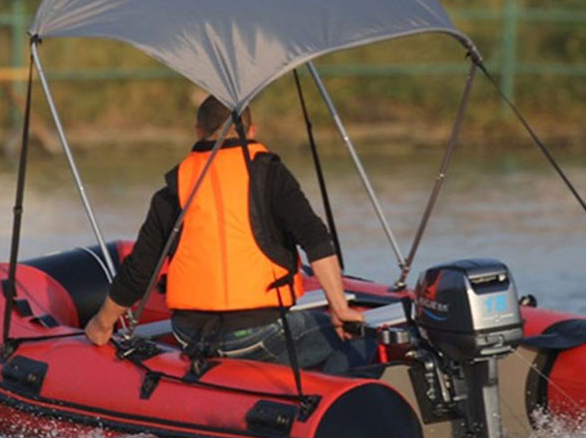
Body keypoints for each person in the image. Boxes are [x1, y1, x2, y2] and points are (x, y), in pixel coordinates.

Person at [85, 96, 374, 373]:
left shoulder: (174, 188)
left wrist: (102, 322)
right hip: (257, 333)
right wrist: (339, 308)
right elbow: (316, 239)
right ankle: (323, 400)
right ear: (252, 131)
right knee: (361, 338)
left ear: (198, 131)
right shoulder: (270, 175)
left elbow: (139, 270)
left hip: (189, 335)